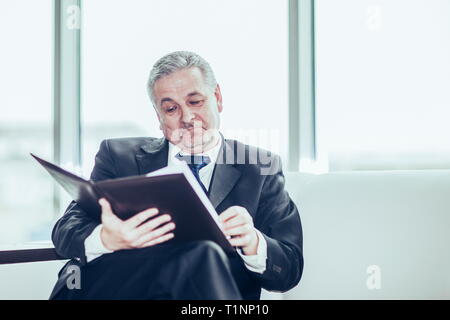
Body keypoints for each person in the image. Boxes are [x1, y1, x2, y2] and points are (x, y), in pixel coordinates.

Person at [50, 51, 303, 300]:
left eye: (195, 102)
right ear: (159, 117)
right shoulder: (117, 156)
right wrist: (106, 238)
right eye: (171, 109)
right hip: (121, 287)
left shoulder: (259, 167)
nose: (187, 118)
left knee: (202, 254)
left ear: (217, 97)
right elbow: (65, 230)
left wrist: (253, 242)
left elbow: (288, 270)